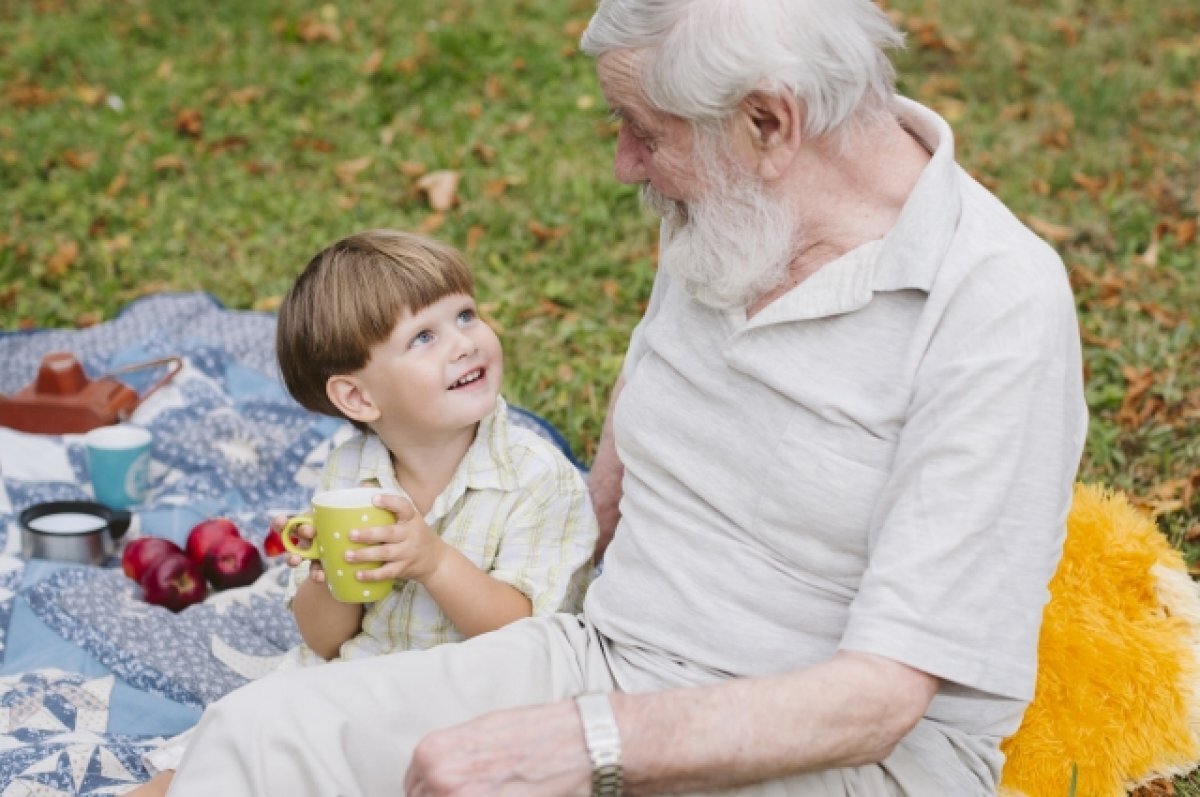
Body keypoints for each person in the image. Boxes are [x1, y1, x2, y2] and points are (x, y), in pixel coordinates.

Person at [164, 2, 1088, 795]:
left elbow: (881, 699)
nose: (623, 162)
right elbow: (642, 413)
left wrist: (585, 748)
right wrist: (545, 619)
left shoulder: (995, 301)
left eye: (643, 129)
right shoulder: (731, 213)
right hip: (607, 667)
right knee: (261, 733)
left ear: (768, 122)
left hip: (845, 758)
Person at [131, 229, 597, 796]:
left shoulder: (537, 478)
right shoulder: (351, 475)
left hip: (474, 704)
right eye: (425, 335)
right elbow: (325, 642)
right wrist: (331, 579)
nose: (464, 342)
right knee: (205, 758)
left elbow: (533, 644)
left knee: (281, 757)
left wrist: (434, 563)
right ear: (357, 398)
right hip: (353, 679)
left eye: (467, 315)